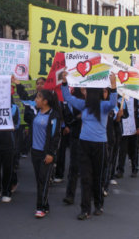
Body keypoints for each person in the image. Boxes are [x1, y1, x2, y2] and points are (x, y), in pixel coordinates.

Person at [61, 71, 117, 220]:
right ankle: (85, 210)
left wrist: (113, 85)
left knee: (97, 177)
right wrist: (65, 81)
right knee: (85, 178)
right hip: (84, 144)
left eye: (88, 92)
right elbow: (67, 97)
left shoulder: (104, 106)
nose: (85, 93)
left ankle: (98, 205)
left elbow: (113, 102)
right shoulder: (83, 105)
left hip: (100, 145)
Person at [29, 89, 61, 218]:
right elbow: (25, 99)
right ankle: (45, 205)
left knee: (44, 180)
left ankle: (40, 207)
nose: (36, 100)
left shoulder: (54, 116)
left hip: (46, 153)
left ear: (45, 101)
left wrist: (51, 153)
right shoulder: (37, 112)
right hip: (35, 151)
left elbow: (55, 137)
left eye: (38, 98)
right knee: (39, 180)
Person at [63, 88, 84, 205]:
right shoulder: (73, 102)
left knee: (89, 168)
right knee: (74, 167)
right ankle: (70, 195)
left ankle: (92, 194)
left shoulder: (94, 101)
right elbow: (68, 118)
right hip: (76, 136)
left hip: (90, 138)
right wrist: (77, 118)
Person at [116, 97, 139, 178]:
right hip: (123, 129)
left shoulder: (136, 98)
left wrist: (138, 126)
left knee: (134, 150)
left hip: (133, 128)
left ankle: (135, 169)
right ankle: (120, 170)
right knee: (122, 150)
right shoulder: (120, 98)